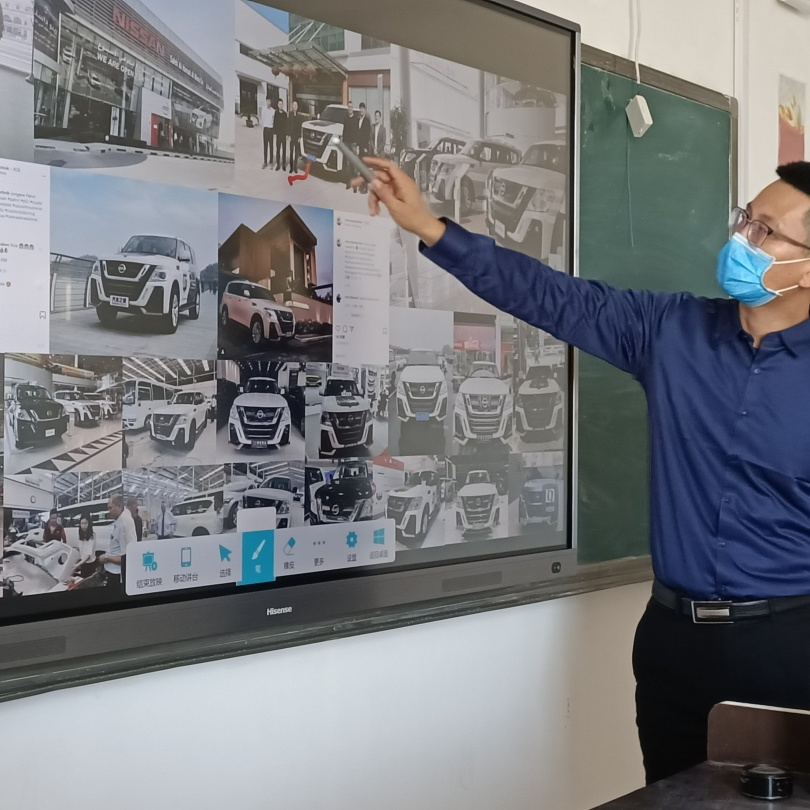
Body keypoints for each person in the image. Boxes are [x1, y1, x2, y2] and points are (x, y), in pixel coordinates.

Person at [360, 156, 810, 785]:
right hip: (673, 643)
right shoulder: (671, 331)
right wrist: (431, 227)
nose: (742, 239)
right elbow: (550, 296)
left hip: (788, 645)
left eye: (765, 232)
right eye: (745, 220)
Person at [99, 495, 137, 589]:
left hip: (117, 574)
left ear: (119, 506)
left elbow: (127, 557)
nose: (109, 511)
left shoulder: (125, 523)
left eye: (110, 508)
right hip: (111, 571)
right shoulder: (119, 521)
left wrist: (107, 558)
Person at [342, 100, 359, 191]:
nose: (350, 109)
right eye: (349, 107)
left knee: (354, 165)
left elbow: (357, 132)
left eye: (351, 107)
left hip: (353, 144)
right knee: (348, 165)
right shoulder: (345, 118)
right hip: (347, 143)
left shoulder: (356, 119)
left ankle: (355, 185)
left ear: (353, 108)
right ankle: (348, 183)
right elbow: (344, 131)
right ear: (347, 108)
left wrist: (357, 145)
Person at [288, 99, 304, 174]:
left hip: (297, 137)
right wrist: (288, 135)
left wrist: (300, 137)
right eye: (294, 105)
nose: (295, 106)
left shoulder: (299, 116)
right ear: (292, 106)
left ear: (297, 107)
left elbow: (300, 127)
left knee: (296, 153)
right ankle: (291, 167)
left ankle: (295, 167)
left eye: (296, 105)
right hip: (291, 136)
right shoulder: (290, 114)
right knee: (291, 152)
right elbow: (288, 125)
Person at [260, 95, 276, 169]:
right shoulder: (263, 109)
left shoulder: (273, 111)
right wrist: (265, 125)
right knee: (265, 146)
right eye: (267, 101)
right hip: (265, 129)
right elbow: (262, 118)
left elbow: (274, 121)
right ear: (266, 101)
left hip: (271, 129)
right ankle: (265, 162)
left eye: (269, 101)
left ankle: (271, 162)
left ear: (271, 102)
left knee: (271, 146)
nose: (268, 102)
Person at [273, 99, 288, 172]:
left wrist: (287, 134)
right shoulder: (276, 113)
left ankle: (284, 164)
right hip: (278, 135)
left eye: (281, 104)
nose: (280, 105)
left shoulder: (285, 114)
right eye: (279, 104)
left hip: (284, 134)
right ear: (278, 105)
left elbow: (287, 124)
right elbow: (275, 124)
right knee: (278, 149)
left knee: (284, 149)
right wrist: (275, 133)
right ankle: (278, 164)